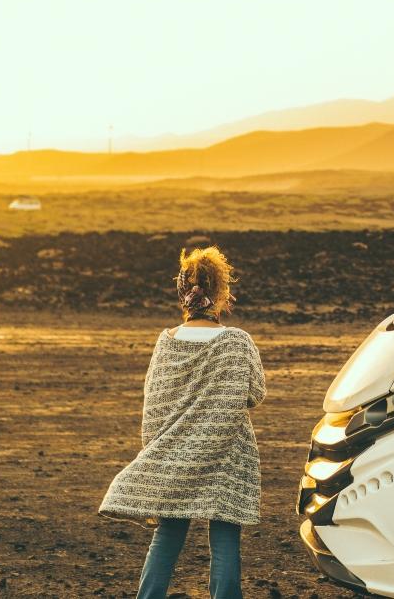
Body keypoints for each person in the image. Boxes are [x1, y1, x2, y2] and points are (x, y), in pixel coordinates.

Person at [99, 246, 266, 599]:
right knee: (224, 540)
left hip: (175, 457)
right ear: (221, 293)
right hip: (226, 457)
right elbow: (254, 394)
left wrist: (159, 454)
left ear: (183, 293)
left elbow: (154, 406)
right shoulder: (237, 341)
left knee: (167, 535)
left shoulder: (166, 342)